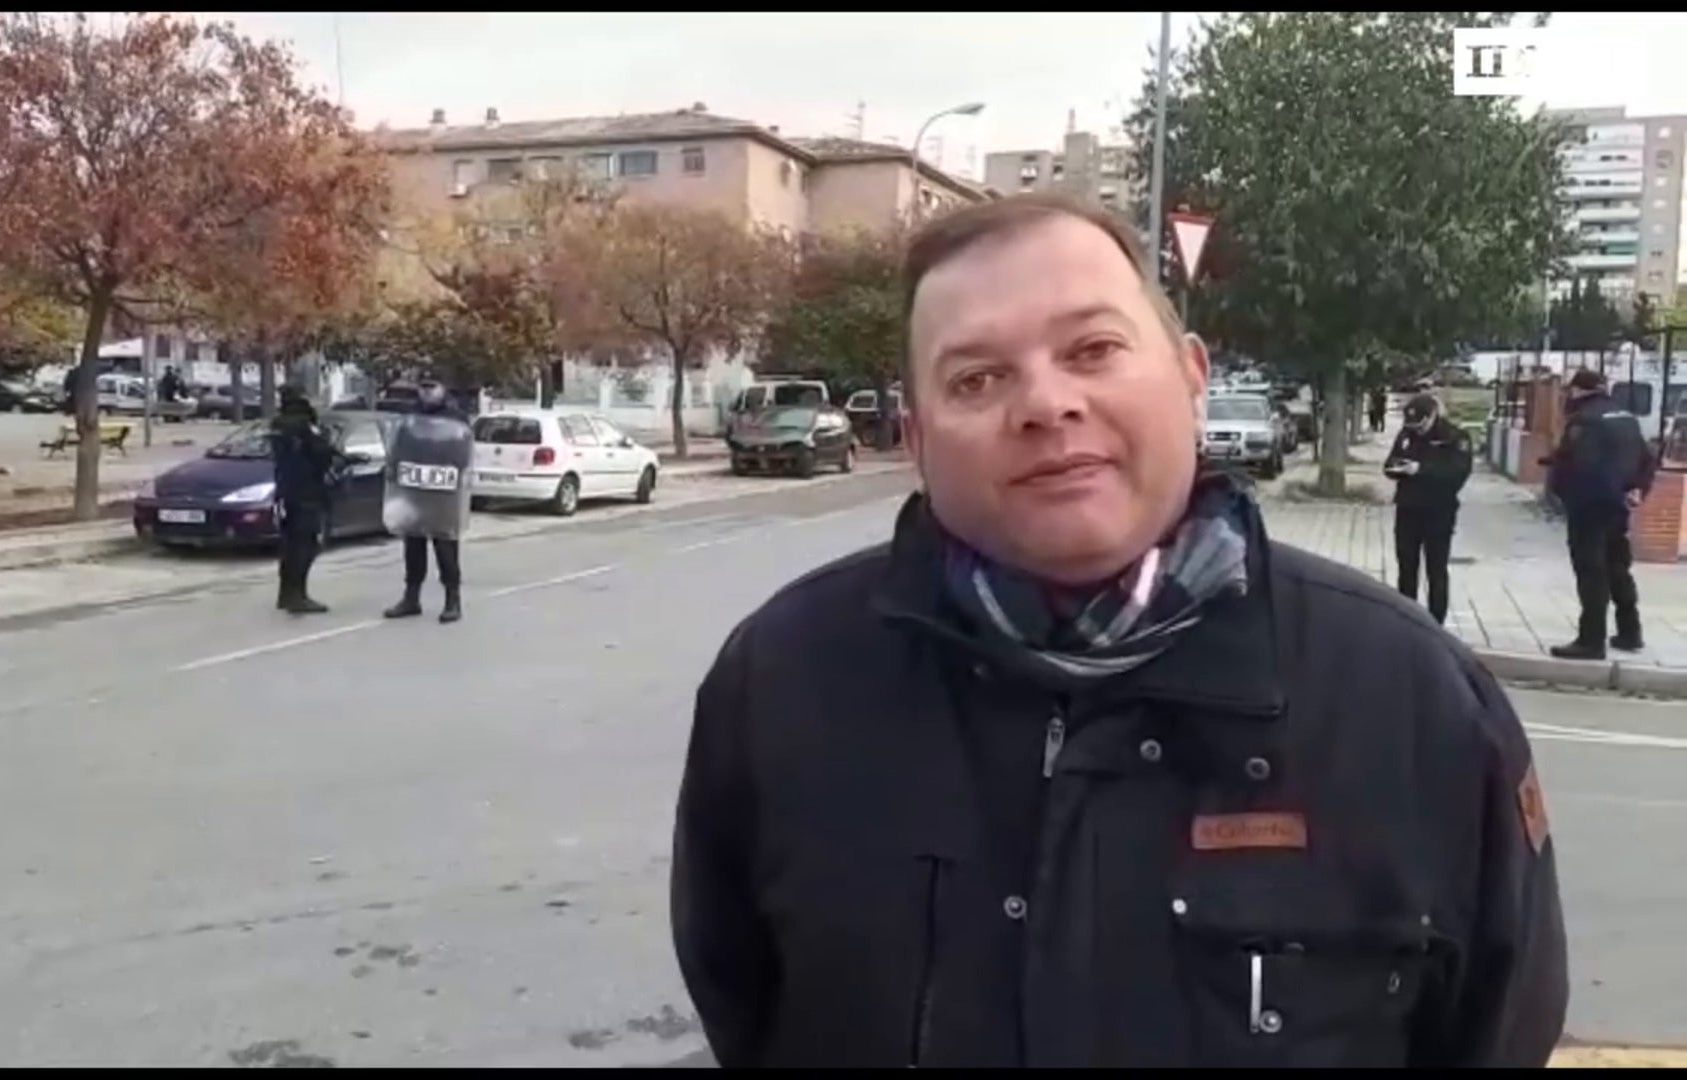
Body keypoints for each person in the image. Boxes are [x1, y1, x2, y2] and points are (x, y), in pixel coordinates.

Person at [671, 192, 1566, 1068]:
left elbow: (1496, 1029)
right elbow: (746, 1007)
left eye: (1092, 350)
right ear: (916, 438)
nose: (1045, 404)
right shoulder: (782, 681)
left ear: (1191, 376)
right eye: (976, 379)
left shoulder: (1412, 699)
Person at [1545, 368, 1657, 659]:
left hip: (1589, 507)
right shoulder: (1626, 417)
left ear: (1578, 390)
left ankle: (1591, 640)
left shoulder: (1584, 421)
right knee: (1618, 567)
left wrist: (1561, 493)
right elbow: (1646, 459)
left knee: (1591, 573)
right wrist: (1637, 488)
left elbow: (1575, 464)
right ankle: (1630, 632)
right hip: (1618, 505)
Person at [383, 379, 470, 624]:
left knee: (446, 549)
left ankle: (452, 600)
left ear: (443, 389)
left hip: (443, 496)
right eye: (424, 386)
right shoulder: (411, 417)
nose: (427, 392)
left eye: (433, 386)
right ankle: (411, 598)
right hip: (415, 493)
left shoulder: (455, 418)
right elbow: (398, 449)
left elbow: (463, 453)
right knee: (413, 547)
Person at [1382, 392, 1473, 623]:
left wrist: (1420, 470)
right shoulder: (1407, 434)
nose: (1417, 430)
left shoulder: (1454, 437)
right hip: (1408, 509)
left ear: (1432, 415)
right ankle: (1407, 619)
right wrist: (1397, 468)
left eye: (1421, 425)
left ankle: (1435, 623)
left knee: (1436, 570)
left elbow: (1457, 473)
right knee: (1406, 567)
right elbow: (1390, 462)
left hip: (1438, 512)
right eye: (1412, 425)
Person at [268, 383, 342, 615]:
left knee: (289, 544)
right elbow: (321, 453)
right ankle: (298, 595)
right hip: (307, 490)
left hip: (286, 489)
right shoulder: (304, 425)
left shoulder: (278, 423)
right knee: (305, 544)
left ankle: (285, 594)